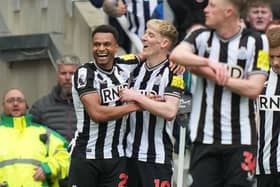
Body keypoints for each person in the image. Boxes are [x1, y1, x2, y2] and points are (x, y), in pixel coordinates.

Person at [169, 0, 270, 186]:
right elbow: (176, 55)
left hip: (241, 140)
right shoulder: (201, 37)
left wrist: (210, 74)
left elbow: (254, 88)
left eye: (212, 5)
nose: (205, 9)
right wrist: (209, 63)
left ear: (228, 11)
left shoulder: (257, 41)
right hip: (204, 138)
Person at [68, 24, 141, 187]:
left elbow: (150, 55)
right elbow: (97, 114)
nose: (101, 49)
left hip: (116, 158)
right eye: (96, 44)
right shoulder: (84, 73)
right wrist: (137, 105)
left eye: (107, 44)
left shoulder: (124, 65)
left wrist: (173, 63)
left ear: (116, 47)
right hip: (86, 157)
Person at [119, 19, 184, 187]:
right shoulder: (135, 68)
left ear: (164, 43)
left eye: (150, 35)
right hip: (127, 155)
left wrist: (137, 97)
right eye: (145, 33)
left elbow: (170, 111)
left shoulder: (174, 72)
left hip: (157, 158)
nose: (143, 38)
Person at [0, 88, 69, 187]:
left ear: (26, 106)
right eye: (10, 101)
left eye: (20, 100)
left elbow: (66, 158)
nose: (15, 104)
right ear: (3, 106)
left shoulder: (46, 134)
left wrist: (49, 168)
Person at [29, 55, 80, 143]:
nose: (67, 78)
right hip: (53, 155)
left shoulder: (89, 104)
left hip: (82, 155)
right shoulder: (41, 107)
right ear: (57, 75)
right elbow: (30, 137)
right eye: (63, 73)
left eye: (72, 73)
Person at [256, 20, 280, 187]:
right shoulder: (257, 80)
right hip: (264, 166)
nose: (276, 62)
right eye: (272, 57)